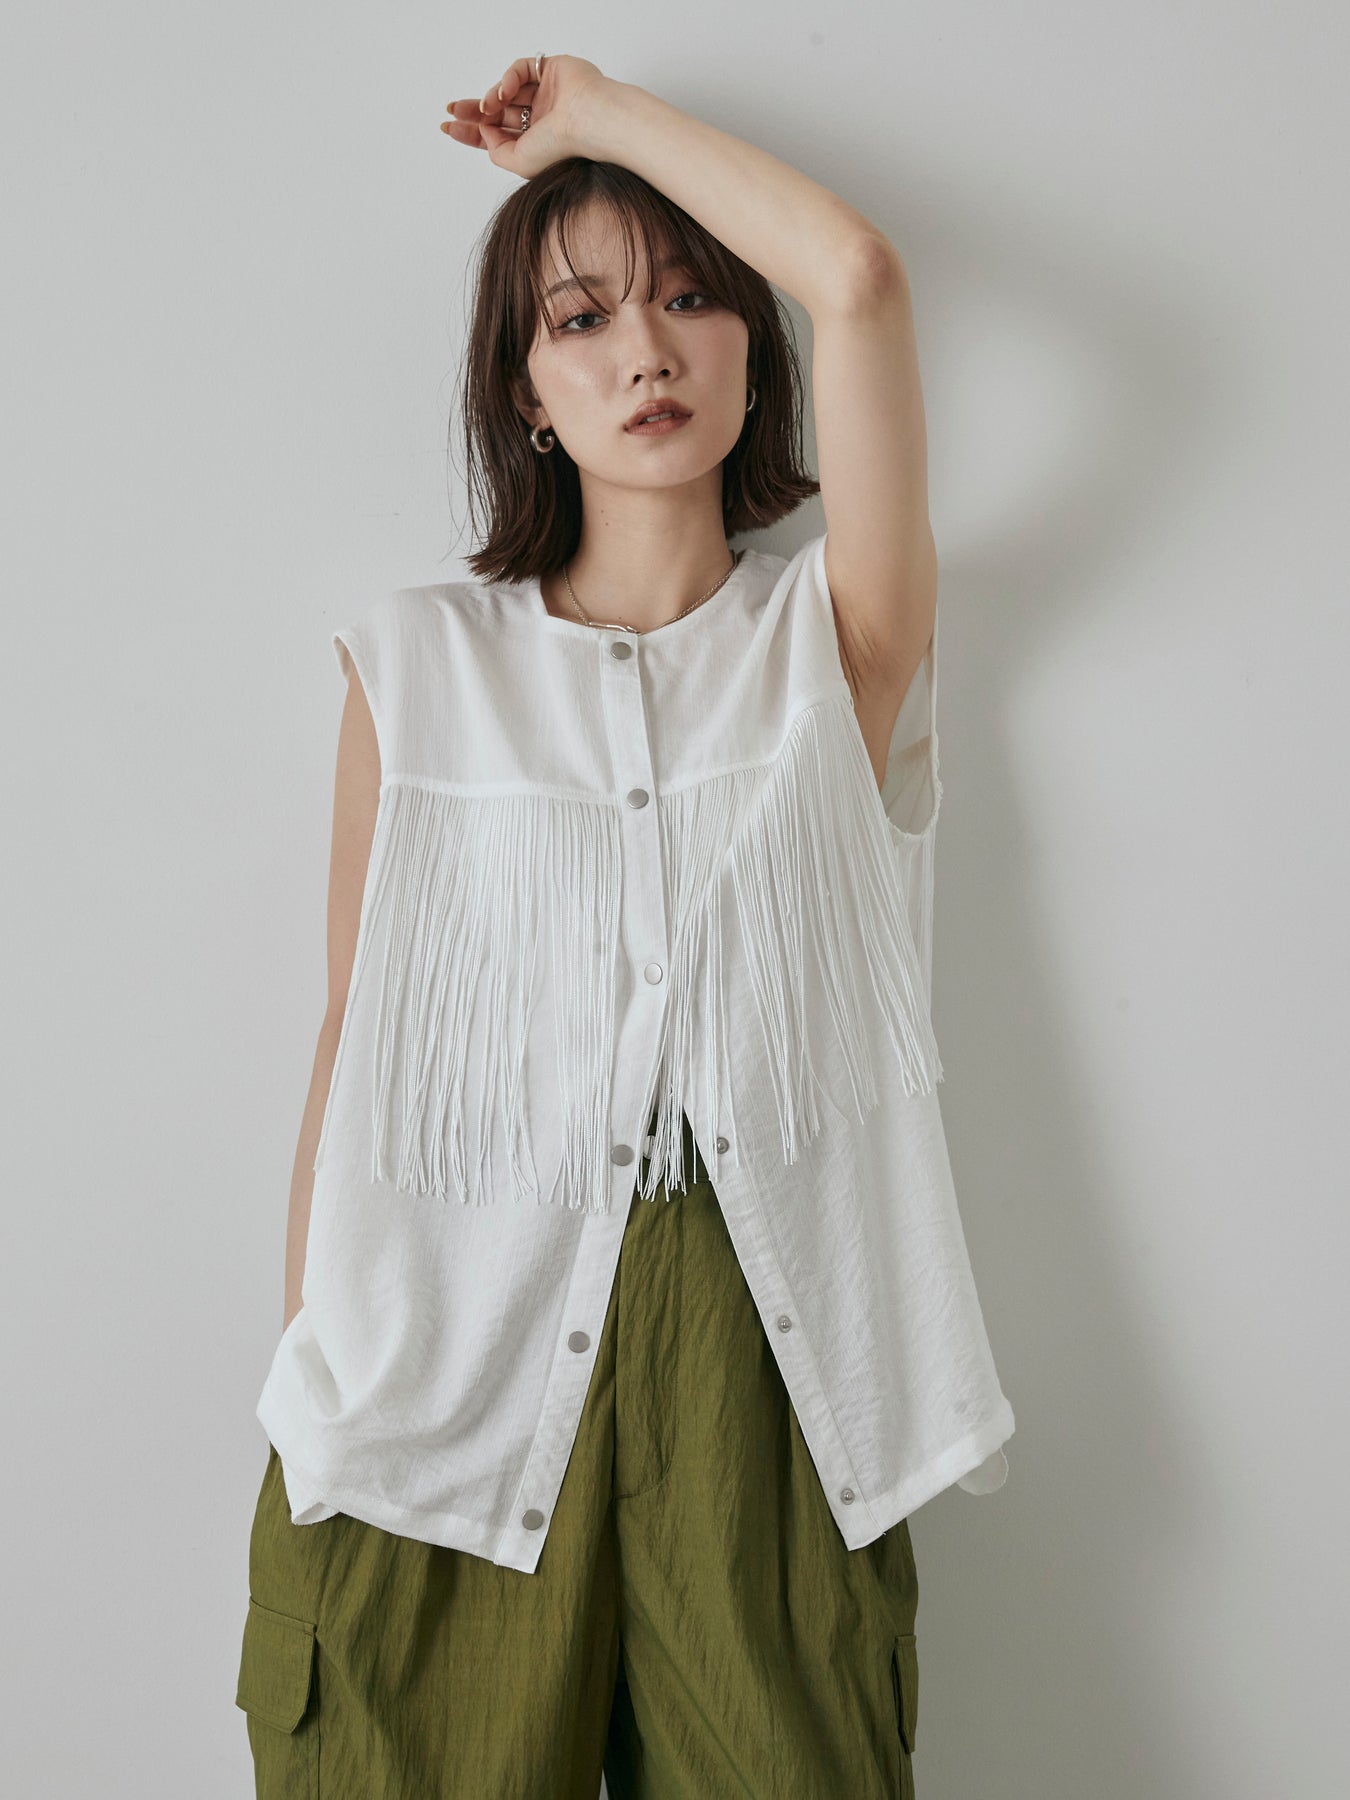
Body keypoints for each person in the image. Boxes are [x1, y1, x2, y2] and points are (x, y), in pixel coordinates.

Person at [234, 52, 1014, 1800]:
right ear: (524, 393)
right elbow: (355, 1030)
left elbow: (858, 276)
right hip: (439, 1355)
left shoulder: (836, 644)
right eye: (579, 320)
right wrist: (310, 1356)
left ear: (753, 349)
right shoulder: (416, 665)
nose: (644, 354)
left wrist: (590, 124)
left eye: (688, 301)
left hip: (761, 1358)